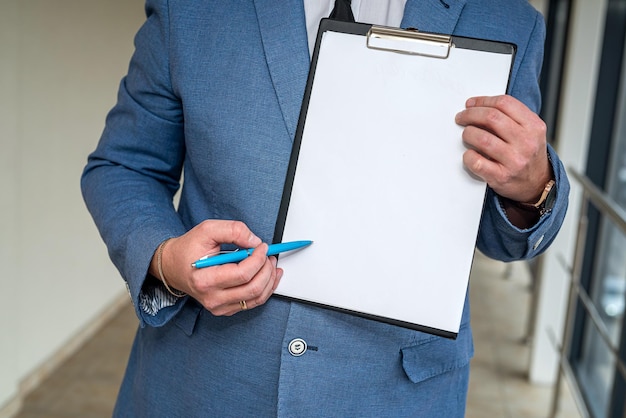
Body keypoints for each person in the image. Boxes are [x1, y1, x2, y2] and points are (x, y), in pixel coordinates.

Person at [81, 1, 569, 416]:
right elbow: (123, 165)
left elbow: (499, 232)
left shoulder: (507, 22)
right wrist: (166, 260)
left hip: (394, 396)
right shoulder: (190, 9)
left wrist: (533, 187)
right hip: (202, 385)